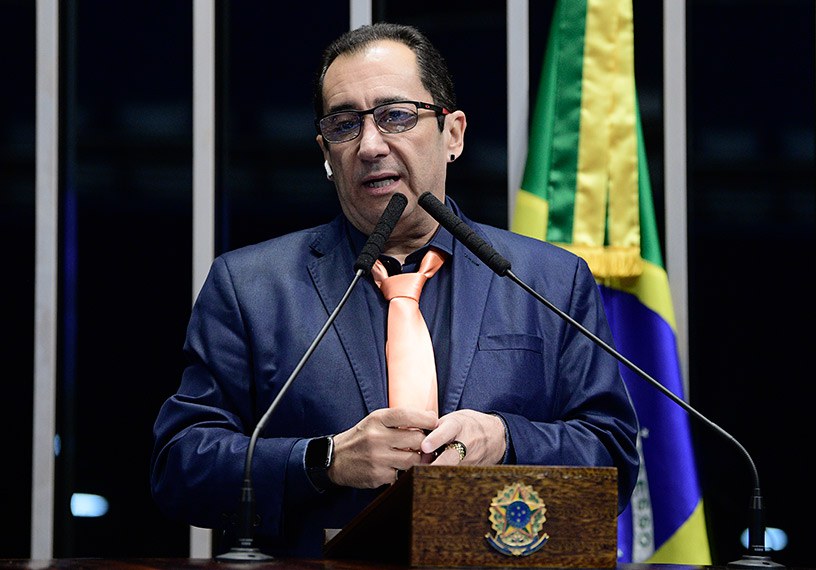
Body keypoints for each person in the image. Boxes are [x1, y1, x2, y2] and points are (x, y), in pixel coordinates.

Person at [150, 21, 639, 558]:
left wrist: (507, 439)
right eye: (344, 125)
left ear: (453, 134)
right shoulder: (251, 287)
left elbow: (613, 455)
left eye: (396, 116)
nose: (370, 145)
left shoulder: (547, 280)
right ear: (325, 153)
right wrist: (325, 460)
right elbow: (181, 463)